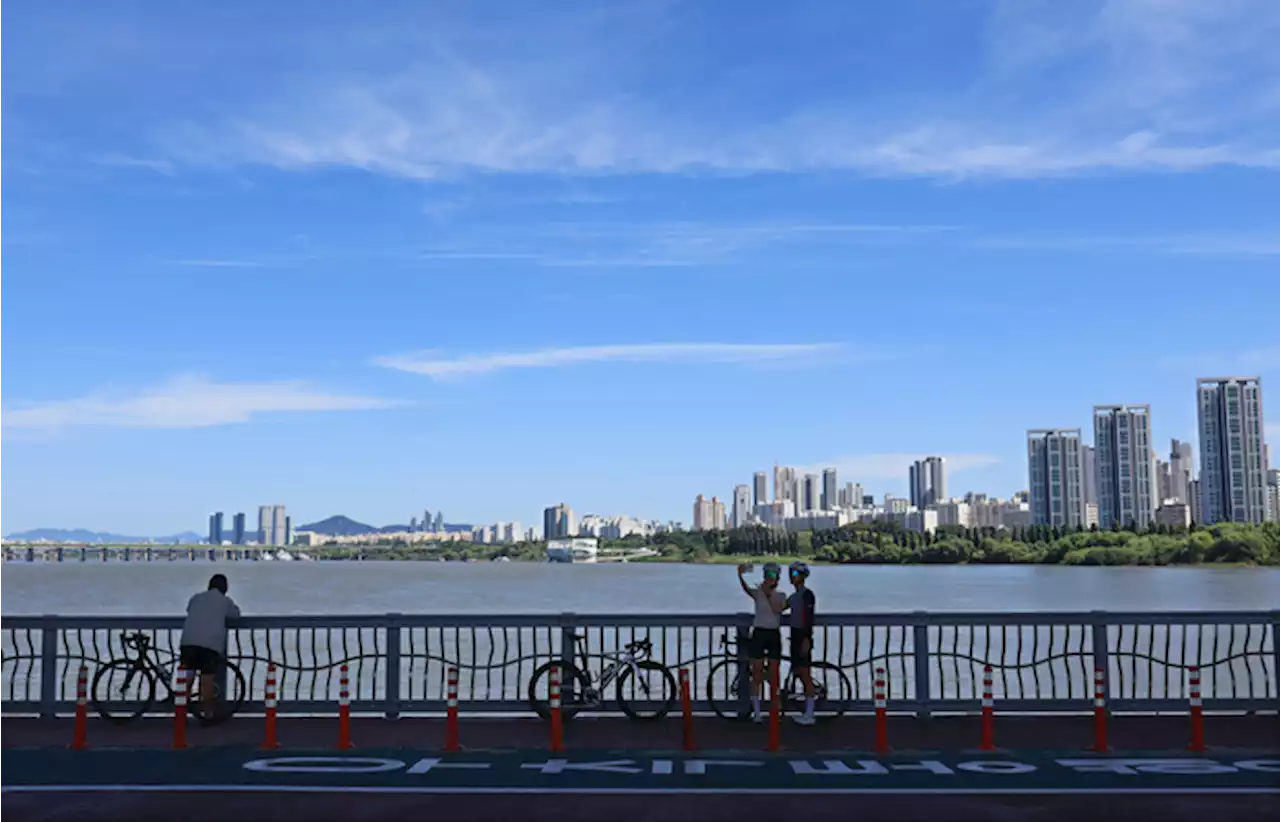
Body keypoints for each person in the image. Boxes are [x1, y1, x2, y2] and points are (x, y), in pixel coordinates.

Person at [179, 573, 241, 719]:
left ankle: (180, 714)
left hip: (188, 644)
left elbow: (189, 610)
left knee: (187, 678)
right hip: (209, 646)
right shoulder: (225, 601)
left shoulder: (196, 597)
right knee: (206, 681)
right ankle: (207, 715)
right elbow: (236, 615)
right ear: (225, 588)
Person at [737, 561, 786, 722]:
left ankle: (774, 710)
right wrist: (740, 575)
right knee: (756, 674)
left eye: (773, 575)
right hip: (759, 633)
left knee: (774, 674)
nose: (769, 578)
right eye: (767, 575)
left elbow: (778, 609)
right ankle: (757, 711)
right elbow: (746, 590)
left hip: (773, 634)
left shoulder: (780, 595)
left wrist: (768, 594)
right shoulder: (757, 592)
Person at [786, 560, 818, 725]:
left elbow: (809, 618)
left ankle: (810, 713)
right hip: (794, 635)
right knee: (798, 671)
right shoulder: (792, 597)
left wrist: (807, 638)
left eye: (796, 574)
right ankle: (806, 709)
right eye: (791, 573)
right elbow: (778, 607)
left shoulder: (807, 595)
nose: (792, 577)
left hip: (802, 636)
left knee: (805, 675)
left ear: (803, 577)